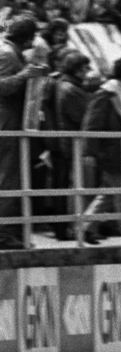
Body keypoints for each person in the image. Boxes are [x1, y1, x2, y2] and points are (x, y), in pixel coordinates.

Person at [80, 56, 121, 245]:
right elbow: (92, 123)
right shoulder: (107, 93)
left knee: (110, 192)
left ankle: (85, 227)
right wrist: (90, 151)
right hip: (112, 150)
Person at [0, 15, 49, 250]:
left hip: (9, 125)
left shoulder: (9, 52)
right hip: (6, 125)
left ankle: (11, 230)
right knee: (9, 180)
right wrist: (25, 75)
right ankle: (5, 233)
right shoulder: (7, 54)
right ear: (28, 37)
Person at [51, 51, 92, 241]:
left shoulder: (63, 85)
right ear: (76, 69)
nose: (87, 72)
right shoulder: (72, 89)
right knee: (69, 189)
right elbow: (85, 117)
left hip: (63, 143)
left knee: (63, 188)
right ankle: (66, 229)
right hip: (71, 145)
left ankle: (63, 228)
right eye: (84, 68)